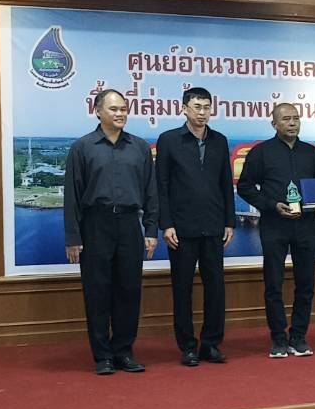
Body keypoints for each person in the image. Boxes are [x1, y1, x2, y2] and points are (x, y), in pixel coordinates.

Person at [62, 88, 159, 375]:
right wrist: (73, 237)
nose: (120, 114)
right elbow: (72, 196)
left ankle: (124, 352)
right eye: (114, 109)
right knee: (97, 291)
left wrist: (151, 229)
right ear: (98, 112)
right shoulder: (82, 147)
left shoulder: (140, 147)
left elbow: (151, 192)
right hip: (95, 225)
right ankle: (103, 355)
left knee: (129, 290)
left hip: (129, 224)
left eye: (124, 109)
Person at [237, 102, 315, 359]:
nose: (292, 123)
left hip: (306, 225)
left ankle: (298, 337)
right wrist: (271, 205)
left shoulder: (311, 152)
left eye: (296, 118)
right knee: (274, 283)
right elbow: (245, 187)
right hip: (274, 224)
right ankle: (278, 338)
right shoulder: (261, 152)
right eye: (286, 119)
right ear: (274, 124)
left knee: (306, 283)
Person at [155, 87, 235, 367]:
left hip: (214, 226)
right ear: (184, 109)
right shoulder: (169, 140)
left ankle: (211, 344)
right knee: (182, 289)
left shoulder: (219, 140)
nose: (202, 113)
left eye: (207, 107)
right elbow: (162, 185)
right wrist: (166, 224)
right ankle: (188, 346)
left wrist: (229, 221)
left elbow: (225, 183)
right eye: (197, 107)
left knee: (216, 288)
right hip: (181, 229)